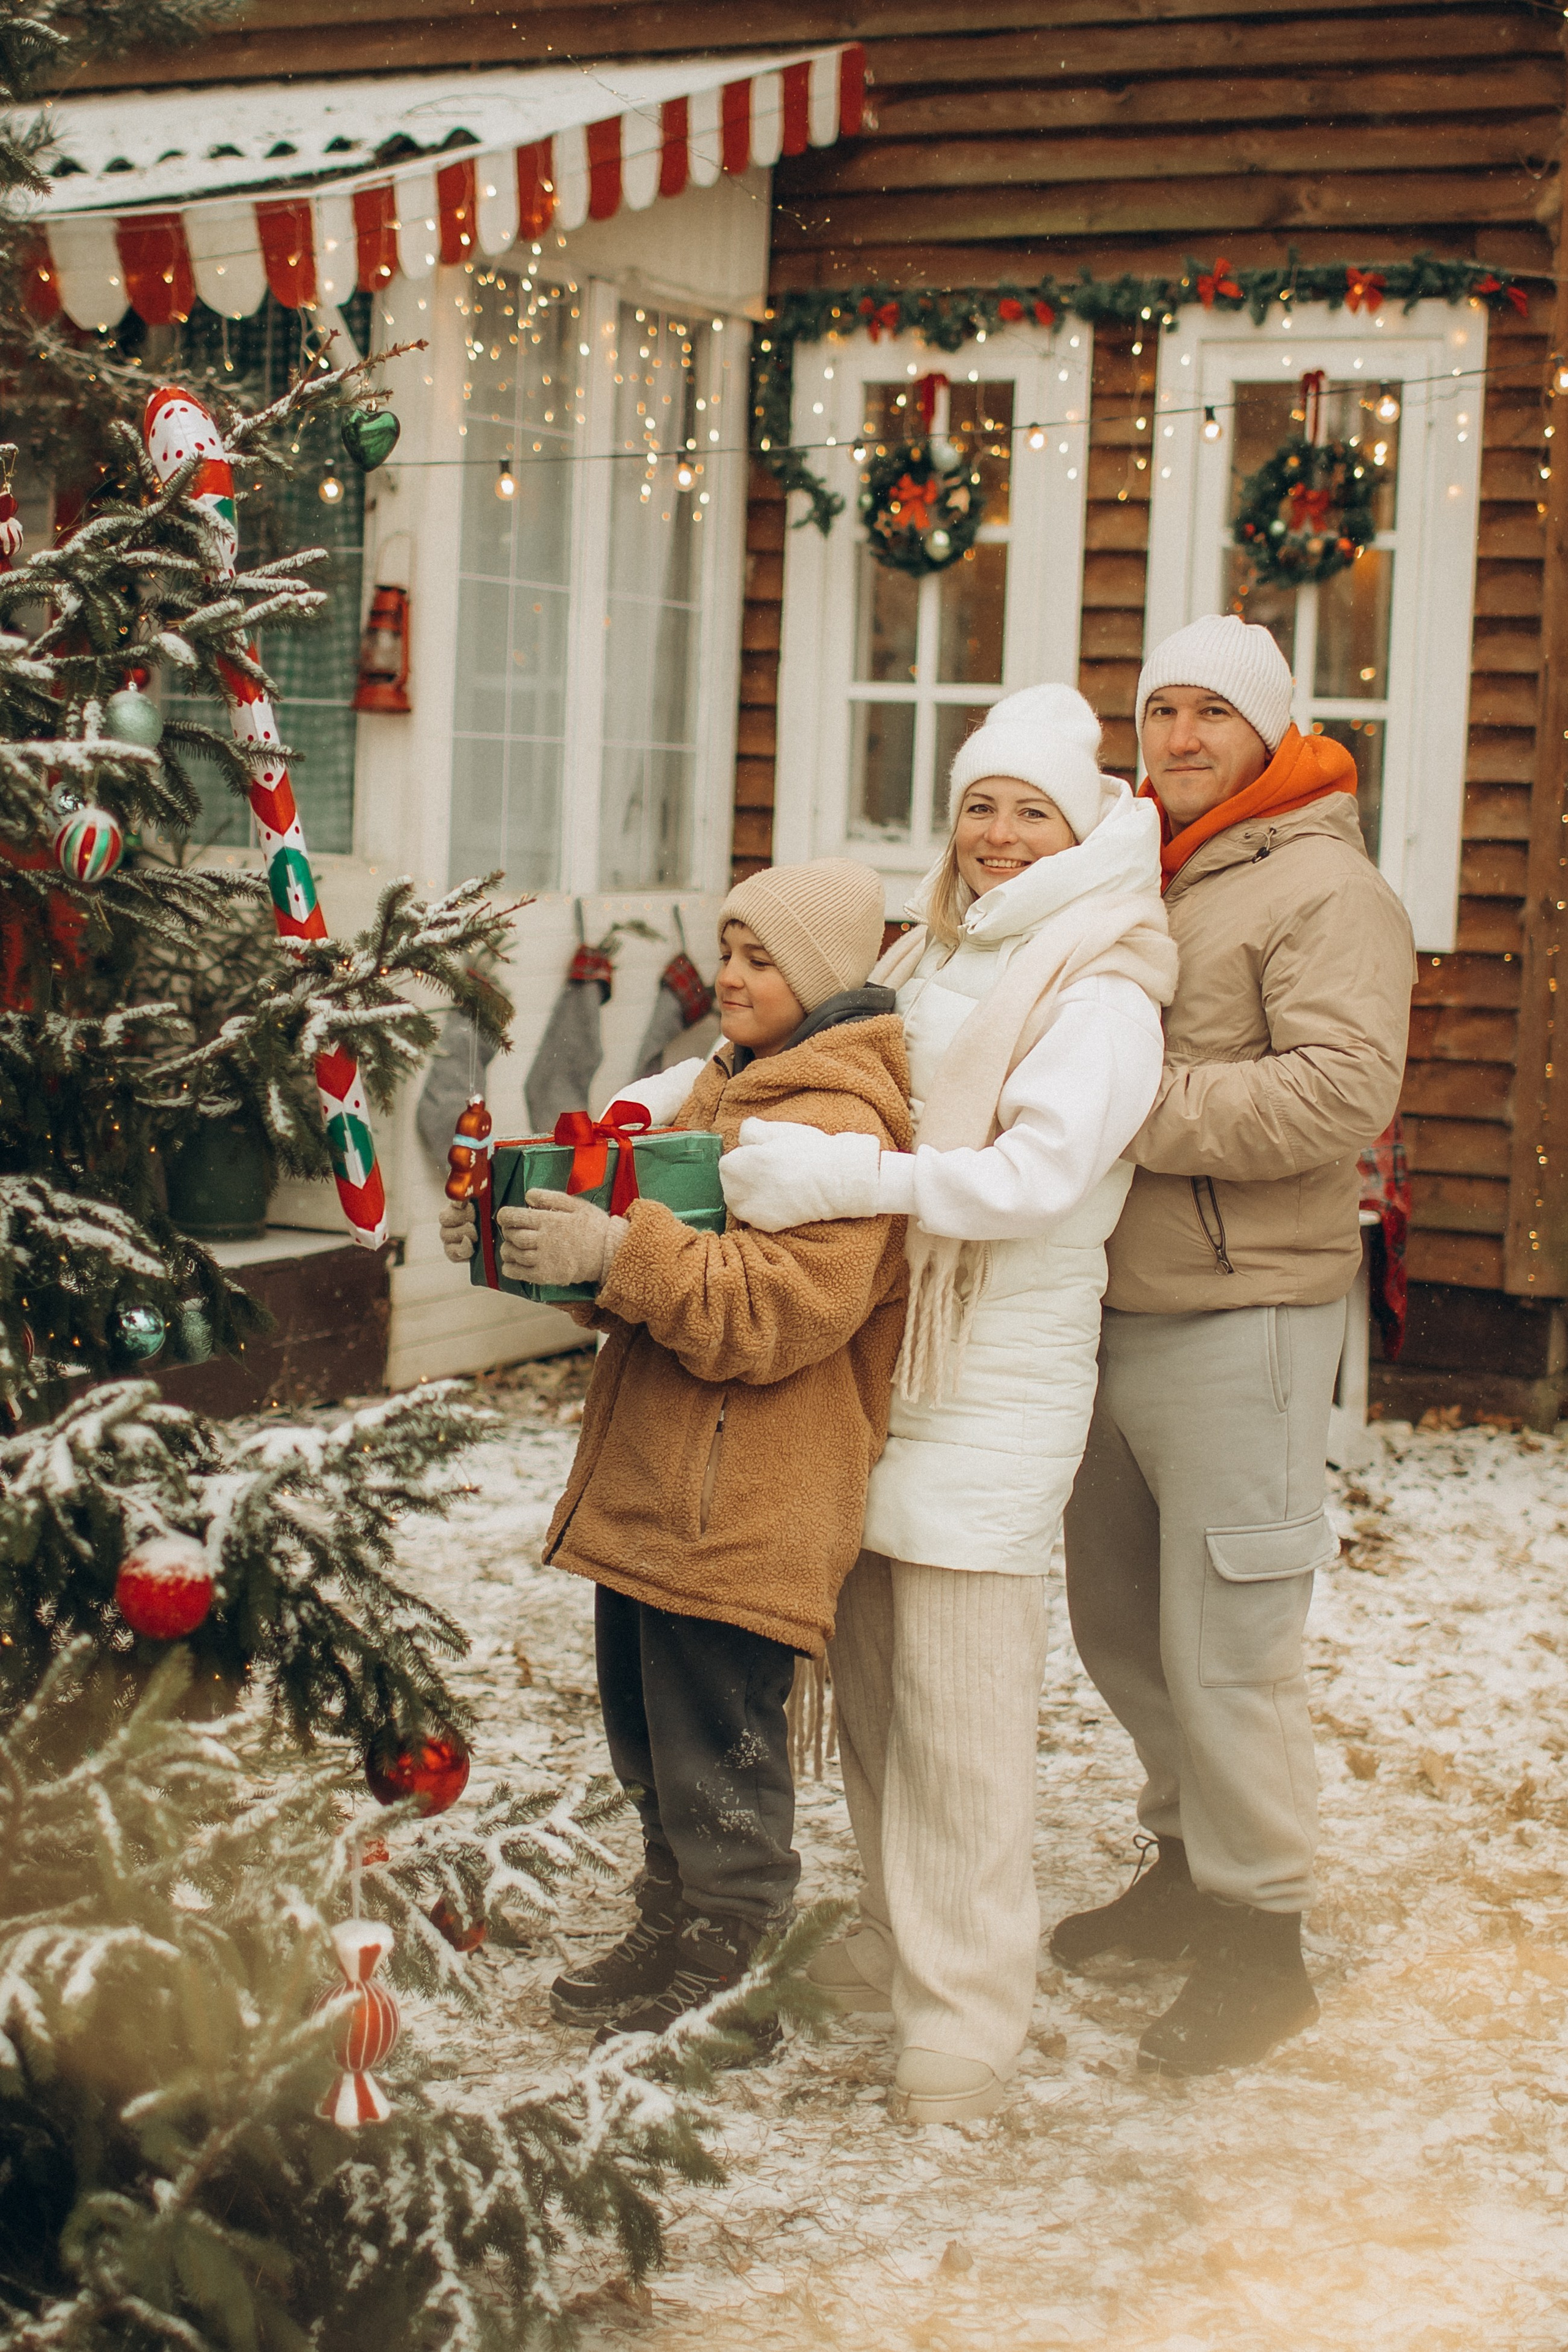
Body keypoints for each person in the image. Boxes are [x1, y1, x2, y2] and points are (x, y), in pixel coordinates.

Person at [718, 685, 1177, 2122]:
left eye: (1029, 808)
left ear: (1082, 823)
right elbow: (825, 1072)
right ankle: (892, 1939)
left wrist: (843, 1186)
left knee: (963, 1725)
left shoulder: (1097, 987)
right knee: (866, 1696)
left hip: (990, 1380)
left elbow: (1034, 1185)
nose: (995, 832)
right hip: (871, 1369)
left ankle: (968, 2017)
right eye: (979, 803)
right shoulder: (929, 956)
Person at [439, 860, 911, 2055]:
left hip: (746, 1501)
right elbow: (655, 1280)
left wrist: (614, 1251)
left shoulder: (842, 1127)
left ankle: (735, 1956)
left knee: (718, 1745)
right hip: (665, 1484)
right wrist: (533, 1244)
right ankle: (671, 1913)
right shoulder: (728, 1085)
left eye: (760, 959)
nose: (732, 977)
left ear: (816, 976)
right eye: (728, 951)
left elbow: (773, 1314)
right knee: (647, 1732)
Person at [1052, 612, 1416, 2077]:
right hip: (1107, 1316)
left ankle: (1262, 1939)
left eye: (1211, 712)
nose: (1180, 738)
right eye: (1160, 712)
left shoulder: (1325, 887)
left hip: (1241, 1315)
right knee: (1126, 1628)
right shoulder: (1144, 868)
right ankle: (1185, 1866)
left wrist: (1127, 1108)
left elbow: (1339, 1093)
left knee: (1229, 1644)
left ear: (1268, 730)